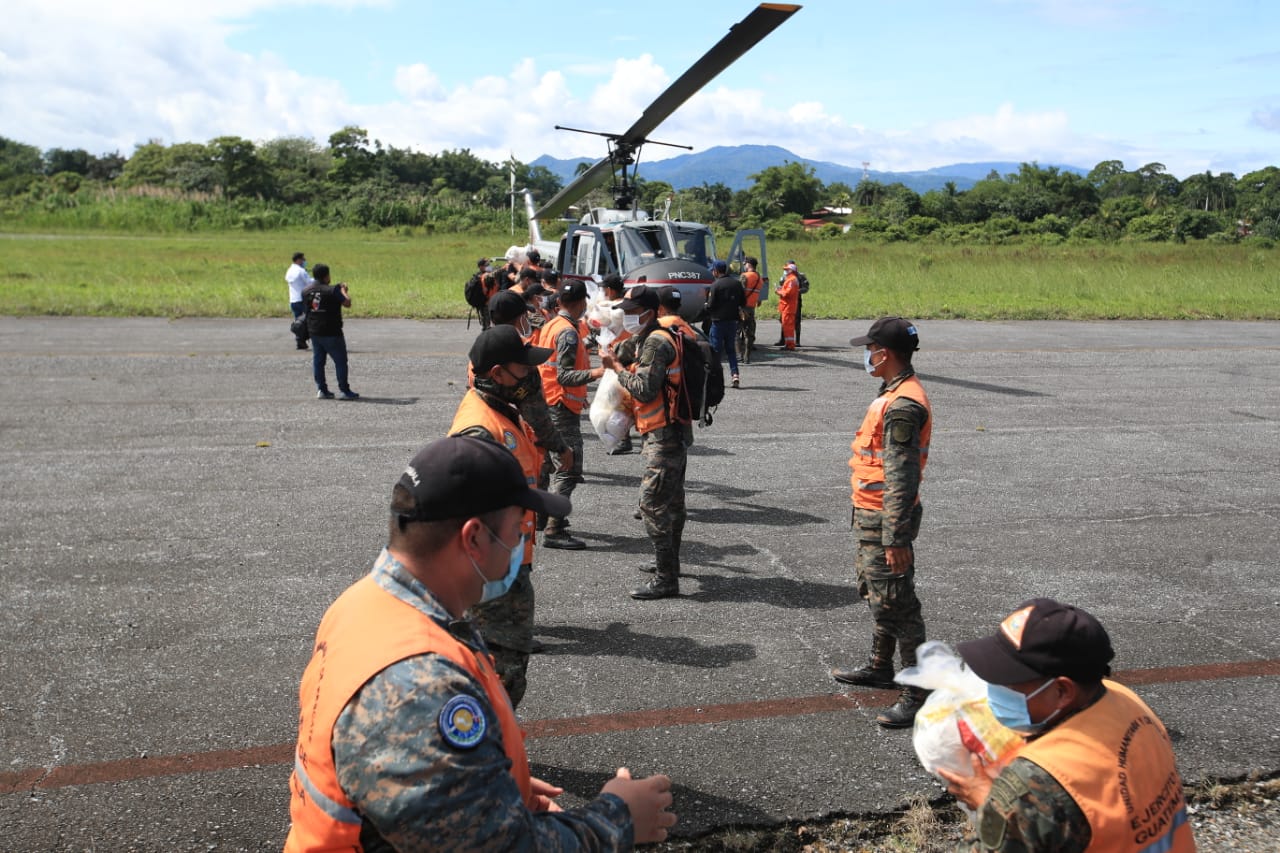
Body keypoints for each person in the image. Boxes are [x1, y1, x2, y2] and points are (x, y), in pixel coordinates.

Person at [285, 435, 677, 851]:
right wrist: (617, 817)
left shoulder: (360, 606)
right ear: (473, 538)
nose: (522, 545)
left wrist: (480, 786)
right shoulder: (419, 688)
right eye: (518, 530)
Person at [940, 599, 1195, 853]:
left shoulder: (1035, 783)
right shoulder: (1127, 702)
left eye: (1007, 682)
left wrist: (990, 806)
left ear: (1062, 691)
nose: (992, 690)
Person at [450, 326, 569, 707]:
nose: (529, 375)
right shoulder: (480, 429)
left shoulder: (502, 409)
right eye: (522, 368)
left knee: (507, 672)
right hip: (492, 575)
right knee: (499, 675)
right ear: (498, 373)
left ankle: (493, 747)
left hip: (509, 560)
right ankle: (487, 752)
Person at [831, 317, 930, 727]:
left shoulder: (904, 405)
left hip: (886, 518)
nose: (867, 356)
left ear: (884, 354)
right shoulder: (893, 392)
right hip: (872, 514)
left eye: (870, 349)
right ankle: (880, 666)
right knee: (879, 594)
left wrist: (896, 536)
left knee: (898, 603)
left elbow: (901, 476)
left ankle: (917, 691)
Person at [600, 285, 689, 601]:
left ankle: (666, 580)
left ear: (649, 313)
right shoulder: (656, 336)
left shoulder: (655, 342)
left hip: (664, 436)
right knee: (673, 504)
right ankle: (669, 568)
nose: (627, 316)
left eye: (632, 311)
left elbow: (644, 389)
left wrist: (617, 369)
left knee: (652, 505)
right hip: (669, 432)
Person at [537, 281, 605, 550]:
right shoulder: (567, 332)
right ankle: (554, 529)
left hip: (548, 401)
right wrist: (597, 373)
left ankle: (541, 517)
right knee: (569, 465)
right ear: (579, 303)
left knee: (545, 462)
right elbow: (565, 375)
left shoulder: (552, 325)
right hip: (561, 405)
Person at [302, 264, 358, 400]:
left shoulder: (306, 291)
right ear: (327, 276)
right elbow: (347, 303)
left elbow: (309, 309)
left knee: (318, 362)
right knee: (340, 361)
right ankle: (344, 390)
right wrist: (343, 290)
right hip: (332, 332)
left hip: (314, 331)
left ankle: (322, 389)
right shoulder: (333, 290)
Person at [705, 259, 745, 388]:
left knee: (715, 351)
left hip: (718, 322)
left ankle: (714, 378)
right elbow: (743, 302)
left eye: (713, 270)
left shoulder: (715, 285)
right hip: (732, 322)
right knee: (731, 350)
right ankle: (735, 375)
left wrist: (705, 306)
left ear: (716, 271)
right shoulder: (737, 284)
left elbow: (710, 305)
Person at [738, 256, 765, 363]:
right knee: (749, 333)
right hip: (751, 308)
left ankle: (738, 355)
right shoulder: (759, 278)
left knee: (736, 331)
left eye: (745, 264)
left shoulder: (744, 276)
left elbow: (739, 292)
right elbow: (758, 294)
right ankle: (747, 357)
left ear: (748, 265)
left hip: (742, 308)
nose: (744, 266)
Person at [285, 251, 313, 350]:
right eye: (303, 259)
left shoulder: (289, 270)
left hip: (293, 300)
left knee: (298, 322)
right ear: (298, 260)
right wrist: (318, 280)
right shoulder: (301, 271)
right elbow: (309, 282)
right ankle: (307, 341)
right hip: (302, 300)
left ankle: (299, 342)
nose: (304, 261)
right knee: (308, 321)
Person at [775, 262, 800, 351]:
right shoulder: (791, 279)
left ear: (791, 270)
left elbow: (787, 293)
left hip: (788, 307)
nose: (785, 271)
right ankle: (788, 344)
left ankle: (790, 345)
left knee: (788, 326)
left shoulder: (791, 280)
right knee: (787, 325)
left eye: (787, 269)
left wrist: (778, 292)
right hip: (788, 306)